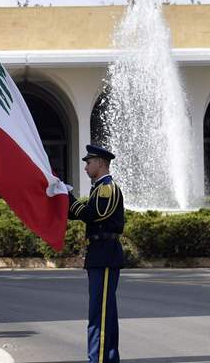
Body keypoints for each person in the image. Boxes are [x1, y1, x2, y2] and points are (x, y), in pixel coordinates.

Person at [68, 144, 125, 363]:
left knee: (99, 316)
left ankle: (99, 359)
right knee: (104, 313)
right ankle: (108, 358)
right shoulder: (98, 189)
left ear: (100, 163)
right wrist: (63, 198)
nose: (85, 167)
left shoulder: (106, 188)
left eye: (88, 162)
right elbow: (81, 213)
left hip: (104, 254)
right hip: (100, 253)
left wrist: (70, 198)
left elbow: (94, 214)